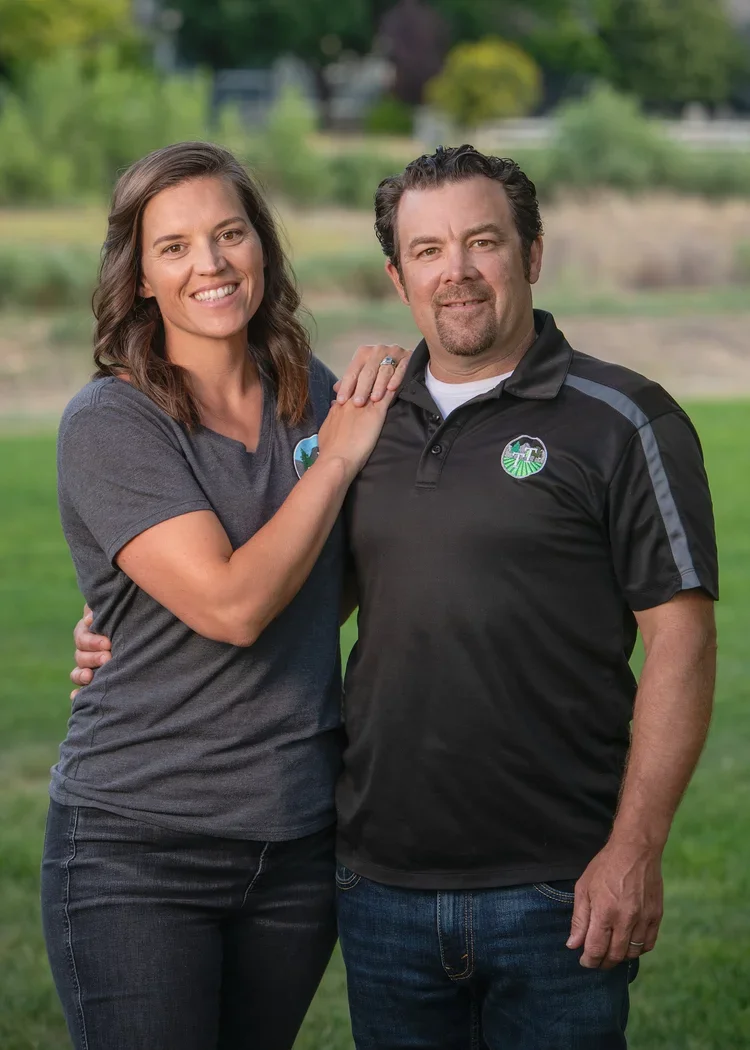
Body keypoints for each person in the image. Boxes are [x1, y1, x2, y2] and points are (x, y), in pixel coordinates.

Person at [72, 146, 719, 1050]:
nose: (456, 273)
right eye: (427, 252)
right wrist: (133, 625)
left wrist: (635, 851)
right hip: (355, 881)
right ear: (395, 273)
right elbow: (255, 591)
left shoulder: (609, 416)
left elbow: (681, 643)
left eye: (482, 242)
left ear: (531, 254)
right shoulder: (353, 416)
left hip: (539, 883)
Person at [43, 140, 411, 1050]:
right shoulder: (111, 421)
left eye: (229, 234)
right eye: (174, 247)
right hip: (138, 845)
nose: (209, 264)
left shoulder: (312, 397)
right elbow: (234, 608)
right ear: (139, 280)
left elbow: (329, 583)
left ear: (263, 250)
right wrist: (342, 456)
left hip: (295, 844)